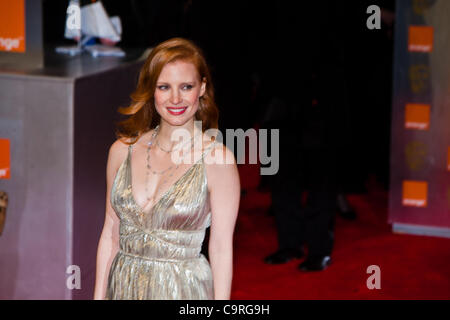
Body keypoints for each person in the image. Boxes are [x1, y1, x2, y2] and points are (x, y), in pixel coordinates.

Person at [93, 38, 240, 300]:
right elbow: (110, 234)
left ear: (202, 88)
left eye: (186, 87)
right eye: (164, 87)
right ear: (152, 90)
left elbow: (220, 249)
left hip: (184, 291)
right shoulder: (121, 151)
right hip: (123, 289)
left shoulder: (218, 160)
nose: (175, 98)